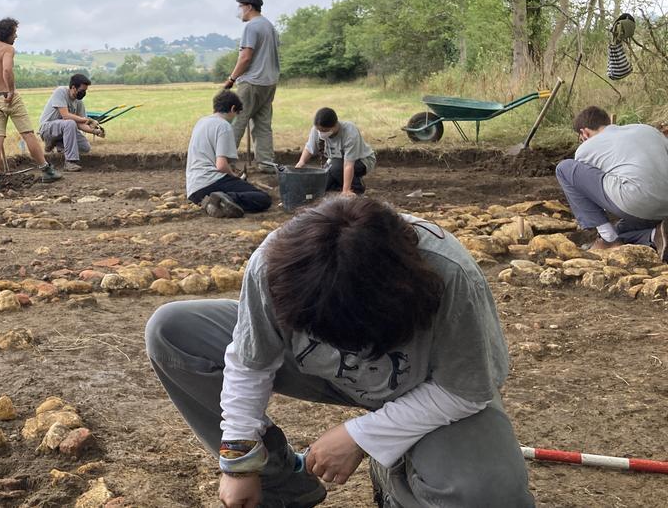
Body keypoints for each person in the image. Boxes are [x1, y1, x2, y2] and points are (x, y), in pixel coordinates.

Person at [145, 197, 533, 508]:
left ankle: (393, 477)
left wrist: (362, 437)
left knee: (490, 495)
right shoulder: (275, 265)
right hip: (319, 373)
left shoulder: (449, 275)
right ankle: (284, 488)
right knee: (172, 331)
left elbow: (465, 390)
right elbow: (250, 362)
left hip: (427, 383)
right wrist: (239, 463)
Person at [556, 105, 668, 257]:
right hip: (664, 206)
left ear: (584, 132)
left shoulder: (586, 148)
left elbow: (588, 191)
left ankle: (608, 240)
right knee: (621, 229)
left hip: (635, 200)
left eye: (580, 138)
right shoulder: (647, 129)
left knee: (564, 168)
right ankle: (655, 236)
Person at [0, 17, 62, 190]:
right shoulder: (8, 49)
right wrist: (9, 91)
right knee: (28, 134)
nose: (16, 36)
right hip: (9, 96)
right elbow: (7, 70)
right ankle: (47, 170)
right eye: (14, 33)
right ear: (7, 33)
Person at [186, 90, 272, 218]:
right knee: (263, 198)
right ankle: (222, 200)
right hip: (210, 182)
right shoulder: (224, 126)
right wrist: (234, 177)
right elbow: (221, 165)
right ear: (232, 108)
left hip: (194, 190)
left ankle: (215, 202)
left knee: (243, 189)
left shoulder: (201, 122)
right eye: (236, 113)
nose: (235, 117)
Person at [223, 0, 280, 174]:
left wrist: (231, 79)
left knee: (236, 121)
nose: (239, 11)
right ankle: (266, 163)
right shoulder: (270, 27)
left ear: (248, 6)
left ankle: (225, 162)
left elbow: (246, 57)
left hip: (251, 82)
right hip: (269, 83)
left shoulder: (251, 27)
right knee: (263, 124)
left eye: (240, 6)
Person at [295, 107, 376, 196]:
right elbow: (309, 148)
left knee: (335, 167)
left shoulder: (349, 131)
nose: (321, 133)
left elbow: (348, 164)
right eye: (319, 130)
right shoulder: (316, 129)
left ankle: (356, 187)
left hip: (361, 160)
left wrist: (346, 189)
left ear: (335, 125)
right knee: (321, 185)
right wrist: (301, 162)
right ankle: (339, 183)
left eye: (324, 131)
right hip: (335, 160)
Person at [38, 73, 104, 172]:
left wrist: (96, 131)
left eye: (85, 91)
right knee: (70, 123)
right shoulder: (60, 92)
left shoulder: (79, 102)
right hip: (47, 129)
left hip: (64, 130)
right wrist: (88, 120)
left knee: (85, 147)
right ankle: (70, 162)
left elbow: (81, 124)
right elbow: (65, 115)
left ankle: (58, 144)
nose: (84, 93)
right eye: (82, 90)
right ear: (73, 87)